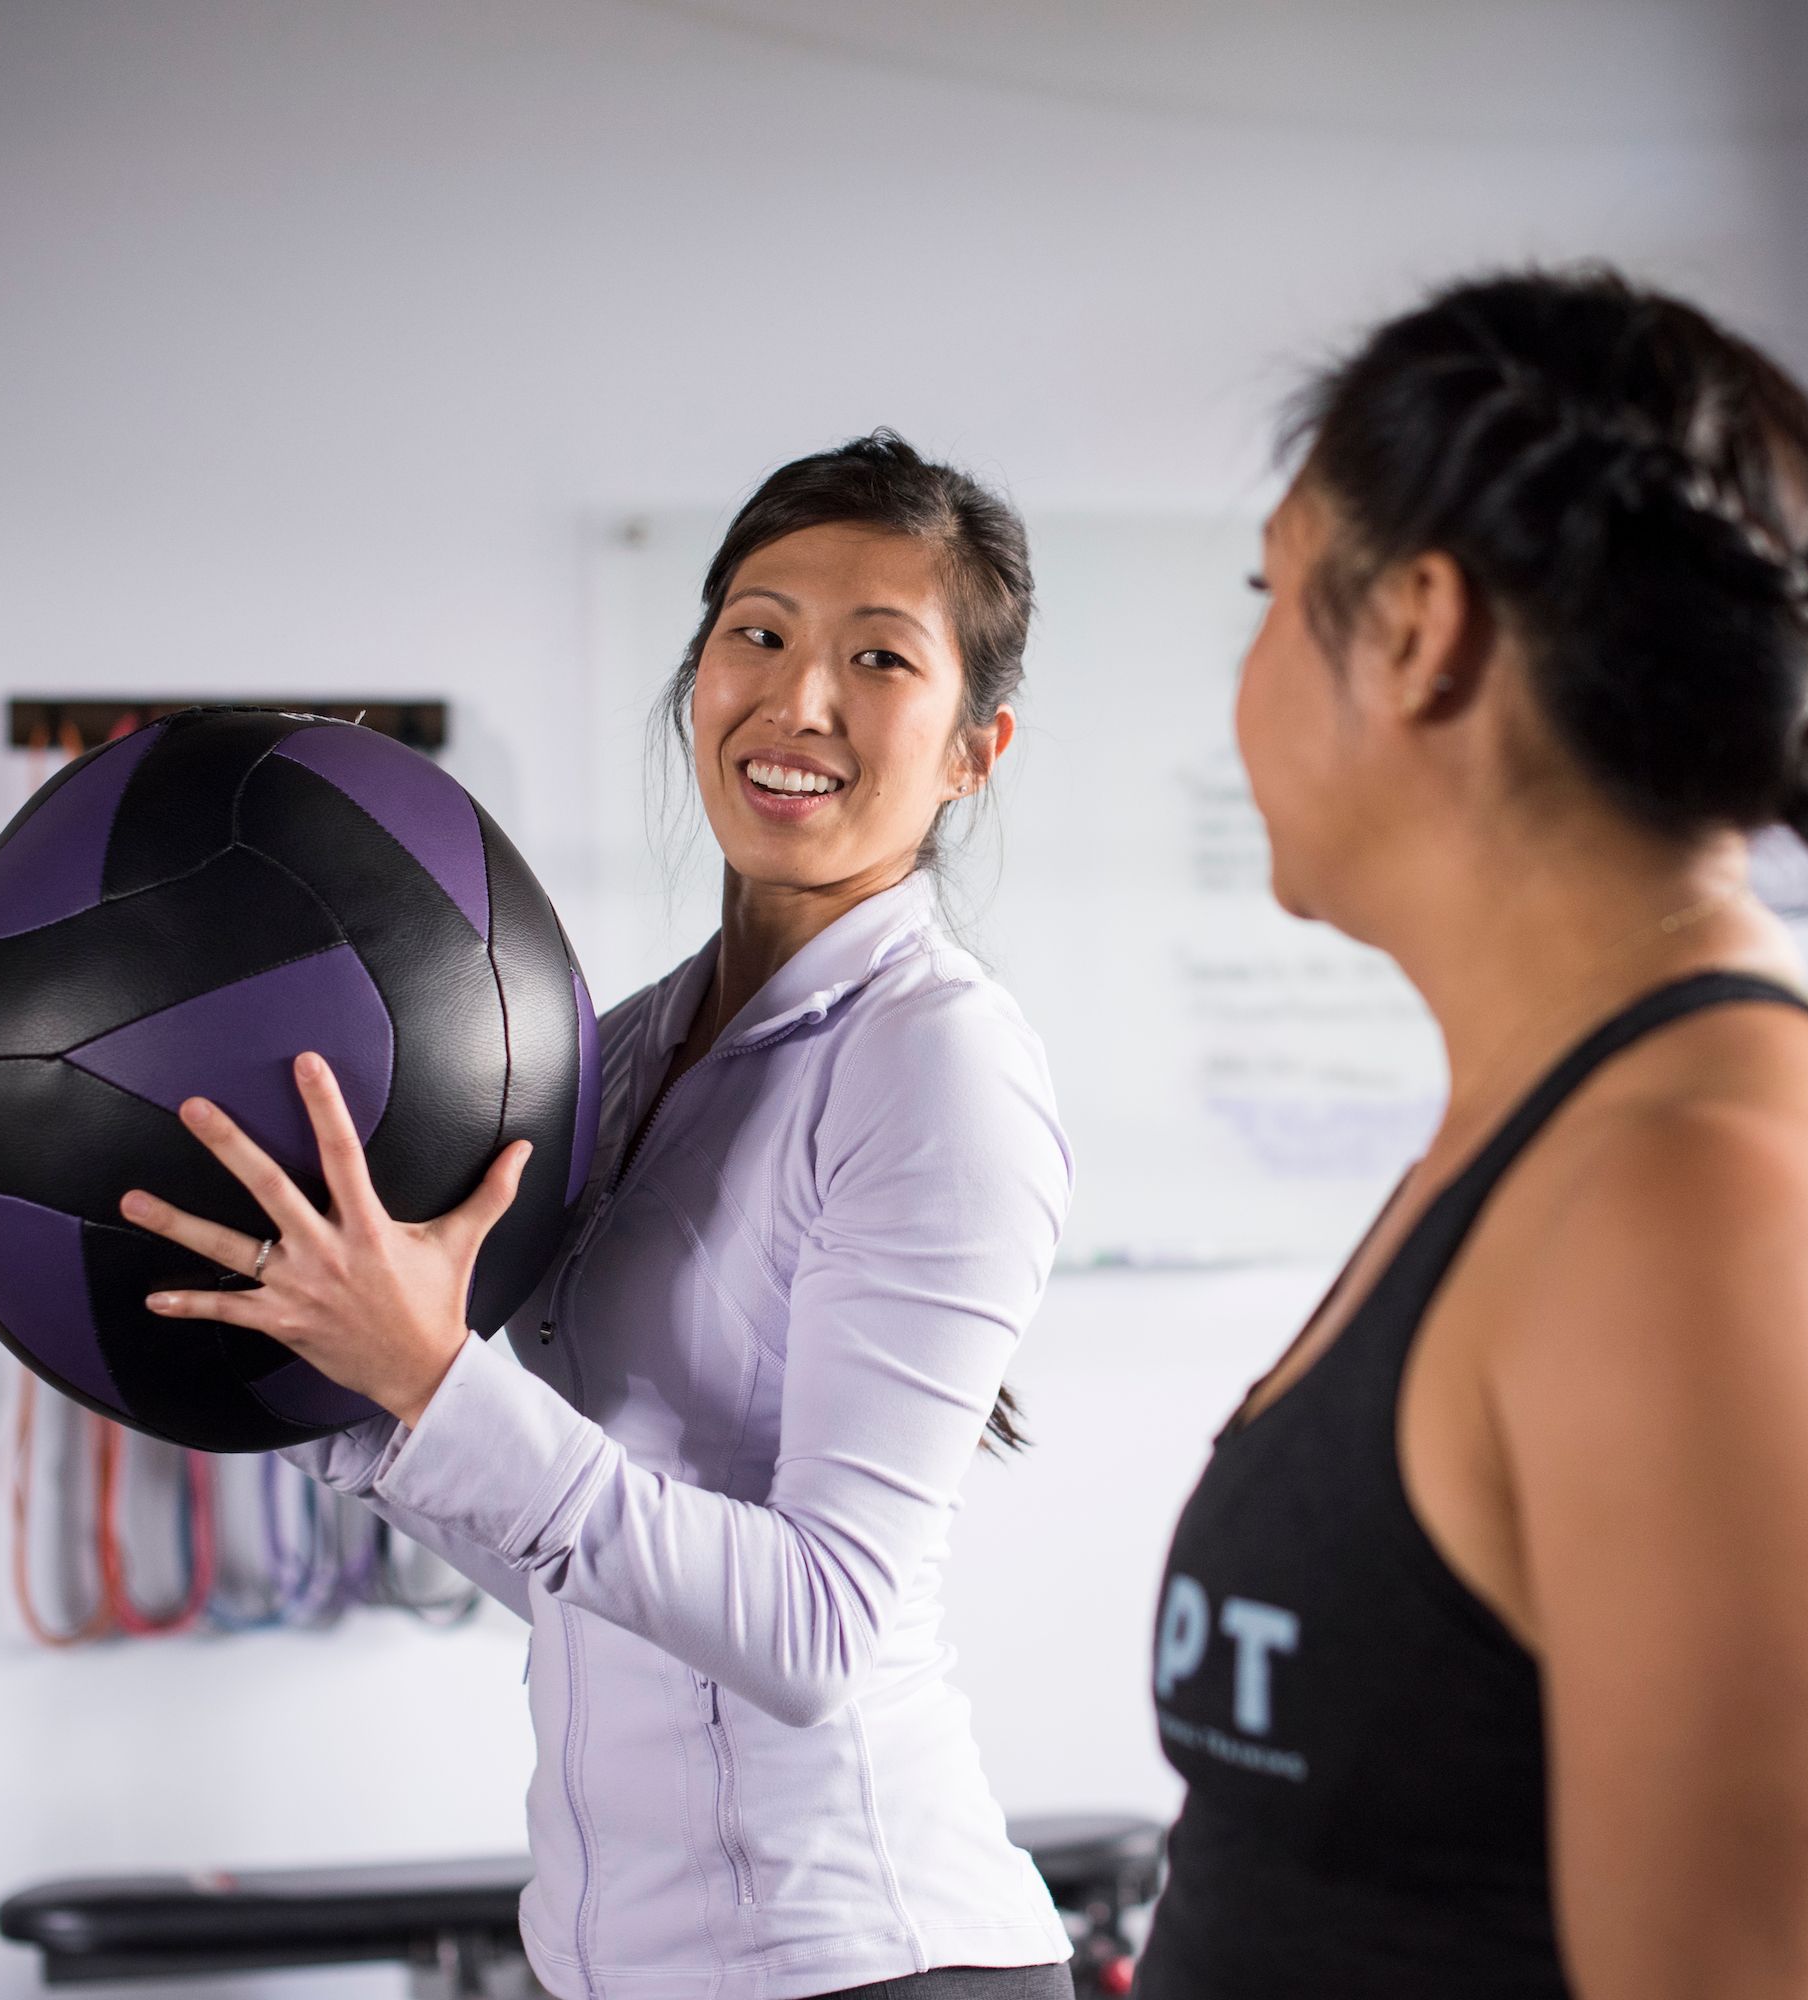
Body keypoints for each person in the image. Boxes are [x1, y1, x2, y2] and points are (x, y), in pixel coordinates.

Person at [1134, 270, 1808, 1999]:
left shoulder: (1707, 1204)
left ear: (1421, 630)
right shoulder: (1555, 1139)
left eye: (1271, 596)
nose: (1243, 674)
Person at [117, 433, 1080, 2000]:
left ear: (977, 746)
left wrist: (441, 1384)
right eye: (757, 633)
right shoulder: (628, 1049)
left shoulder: (936, 1058)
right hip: (610, 1960)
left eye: (880, 659)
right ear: (696, 672)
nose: (800, 702)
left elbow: (816, 1630)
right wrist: (342, 1399)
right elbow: (599, 1580)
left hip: (864, 1963)